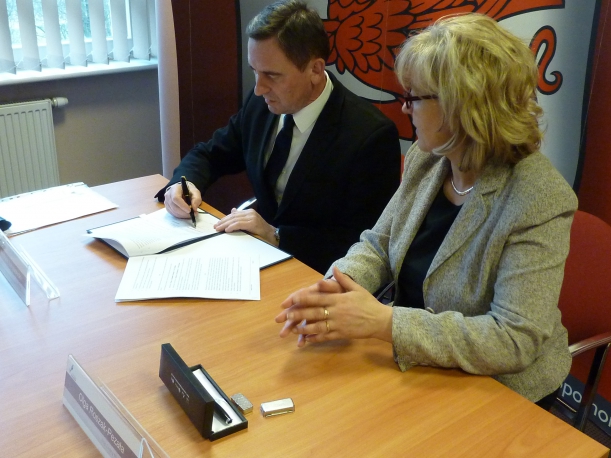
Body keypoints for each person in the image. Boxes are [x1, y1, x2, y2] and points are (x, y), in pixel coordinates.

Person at [276, 13, 578, 407]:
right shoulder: (428, 157)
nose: (405, 109)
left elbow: (513, 339)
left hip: (501, 389)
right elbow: (379, 244)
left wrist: (385, 322)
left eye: (414, 97)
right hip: (420, 361)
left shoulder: (538, 197)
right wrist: (337, 285)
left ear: (461, 106)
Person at [157, 0, 401, 274]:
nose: (258, 88)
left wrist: (276, 235)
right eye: (254, 71)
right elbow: (211, 153)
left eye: (271, 75)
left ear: (315, 70)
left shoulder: (369, 136)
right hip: (255, 260)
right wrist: (184, 183)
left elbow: (365, 244)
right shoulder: (262, 104)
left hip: (316, 275)